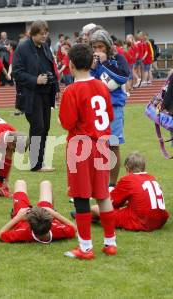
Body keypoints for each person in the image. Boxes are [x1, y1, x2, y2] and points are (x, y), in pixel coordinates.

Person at [59, 43, 117, 260]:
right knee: (103, 194)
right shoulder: (102, 86)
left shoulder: (72, 90)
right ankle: (110, 243)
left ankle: (85, 247)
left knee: (81, 195)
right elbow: (108, 116)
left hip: (82, 145)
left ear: (71, 64)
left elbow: (67, 122)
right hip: (102, 144)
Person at [12, 20, 59, 172]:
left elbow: (51, 67)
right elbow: (17, 73)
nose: (44, 36)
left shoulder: (45, 46)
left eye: (46, 33)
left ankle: (40, 160)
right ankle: (35, 164)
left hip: (46, 93)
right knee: (38, 126)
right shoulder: (23, 47)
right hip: (31, 95)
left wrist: (56, 87)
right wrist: (35, 80)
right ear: (33, 33)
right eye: (41, 34)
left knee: (45, 127)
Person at [89, 29, 129, 187]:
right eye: (95, 47)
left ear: (107, 46)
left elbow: (123, 77)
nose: (98, 50)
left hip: (113, 108)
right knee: (96, 145)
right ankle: (98, 182)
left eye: (101, 47)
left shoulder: (118, 58)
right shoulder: (90, 60)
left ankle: (112, 184)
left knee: (113, 145)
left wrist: (104, 63)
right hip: (95, 109)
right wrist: (92, 66)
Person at [90, 153, 169, 232]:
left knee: (95, 208)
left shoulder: (128, 180)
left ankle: (84, 216)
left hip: (142, 221)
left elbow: (111, 203)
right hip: (160, 221)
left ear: (127, 168)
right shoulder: (151, 178)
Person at [0, 180, 76, 243]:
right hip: (44, 214)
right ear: (51, 222)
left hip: (22, 216)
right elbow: (74, 228)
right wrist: (54, 213)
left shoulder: (22, 233)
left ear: (29, 226)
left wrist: (17, 218)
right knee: (46, 183)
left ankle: (22, 213)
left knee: (20, 183)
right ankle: (49, 210)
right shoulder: (58, 230)